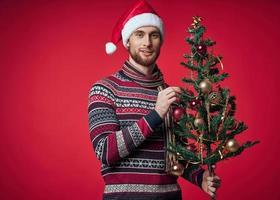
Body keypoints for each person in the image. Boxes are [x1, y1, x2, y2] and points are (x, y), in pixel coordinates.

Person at [88, 0, 220, 199]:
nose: (147, 43)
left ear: (161, 41)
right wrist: (156, 114)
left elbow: (177, 155)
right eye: (139, 34)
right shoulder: (105, 89)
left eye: (154, 35)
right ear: (128, 41)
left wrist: (199, 177)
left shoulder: (171, 96)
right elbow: (106, 151)